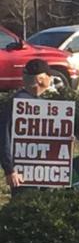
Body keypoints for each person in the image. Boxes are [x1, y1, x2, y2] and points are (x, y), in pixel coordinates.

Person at [0, 59, 54, 197]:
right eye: (49, 75)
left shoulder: (42, 104)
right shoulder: (17, 104)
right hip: (22, 174)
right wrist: (10, 170)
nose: (52, 79)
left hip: (43, 173)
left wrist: (66, 139)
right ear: (41, 79)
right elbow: (4, 137)